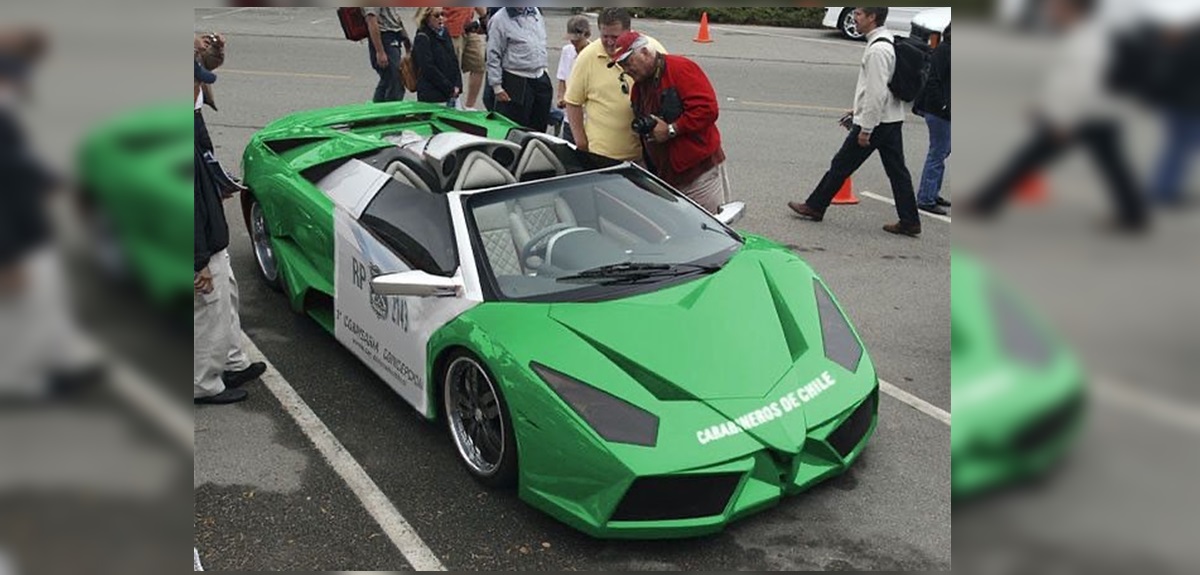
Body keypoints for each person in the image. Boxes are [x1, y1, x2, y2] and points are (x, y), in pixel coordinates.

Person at [964, 0, 1147, 230]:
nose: (1051, 11)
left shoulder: (1086, 40)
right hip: (1097, 113)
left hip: (1081, 116)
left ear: (1072, 9)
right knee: (1112, 164)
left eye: (1056, 6)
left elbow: (1081, 85)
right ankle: (1134, 214)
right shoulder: (1086, 35)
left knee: (1027, 158)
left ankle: (985, 203)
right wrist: (1044, 105)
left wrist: (1062, 119)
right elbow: (1068, 80)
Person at [0, 28, 102, 398]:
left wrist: (50, 179)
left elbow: (22, 166)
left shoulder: (9, 118)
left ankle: (59, 363)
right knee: (22, 308)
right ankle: (20, 381)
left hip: (30, 229)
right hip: (15, 238)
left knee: (46, 298)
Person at [787, 7, 922, 237]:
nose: (855, 18)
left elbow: (877, 93)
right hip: (890, 118)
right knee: (897, 171)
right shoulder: (884, 40)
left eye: (859, 13)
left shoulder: (878, 50)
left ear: (872, 17)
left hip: (877, 121)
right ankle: (909, 220)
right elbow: (878, 89)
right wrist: (858, 108)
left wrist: (866, 128)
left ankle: (815, 206)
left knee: (841, 164)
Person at [194, 53, 265, 405]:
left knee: (227, 299)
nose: (200, 87)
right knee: (210, 308)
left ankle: (233, 362)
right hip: (199, 242)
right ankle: (203, 384)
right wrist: (197, 263)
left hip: (210, 232)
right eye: (196, 80)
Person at [613, 32, 729, 214]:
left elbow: (708, 109)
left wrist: (672, 129)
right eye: (621, 66)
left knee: (712, 231)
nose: (626, 70)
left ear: (644, 52)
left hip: (699, 173)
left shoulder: (680, 68)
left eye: (628, 62)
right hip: (667, 177)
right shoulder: (638, 89)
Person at [564, 8, 666, 161]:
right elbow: (572, 102)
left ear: (629, 32)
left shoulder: (650, 50)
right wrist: (581, 143)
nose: (610, 42)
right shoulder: (587, 57)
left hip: (647, 156)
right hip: (603, 156)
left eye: (615, 37)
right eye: (605, 36)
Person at [486, 7, 553, 132]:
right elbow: (493, 54)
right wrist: (497, 87)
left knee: (539, 129)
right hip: (515, 80)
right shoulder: (499, 19)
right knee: (516, 131)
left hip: (539, 77)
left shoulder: (535, 12)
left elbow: (540, 41)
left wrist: (544, 68)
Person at [914, 24, 952, 215]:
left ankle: (932, 192)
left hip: (947, 110)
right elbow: (934, 81)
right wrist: (943, 106)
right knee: (938, 152)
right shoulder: (944, 51)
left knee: (943, 150)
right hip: (939, 112)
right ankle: (926, 198)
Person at [412, 7, 461, 107]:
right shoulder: (422, 37)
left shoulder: (445, 33)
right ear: (426, 18)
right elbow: (428, 68)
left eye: (443, 14)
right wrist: (449, 88)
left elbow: (453, 59)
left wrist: (458, 84)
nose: (441, 18)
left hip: (451, 94)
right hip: (432, 96)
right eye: (437, 15)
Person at [554, 15, 591, 145]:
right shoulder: (567, 51)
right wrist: (560, 97)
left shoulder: (593, 54)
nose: (573, 43)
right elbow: (562, 78)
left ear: (586, 34)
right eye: (571, 39)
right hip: (569, 117)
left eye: (577, 39)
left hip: (588, 118)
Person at [364, 6, 411, 103]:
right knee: (395, 80)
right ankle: (391, 113)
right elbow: (371, 20)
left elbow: (394, 17)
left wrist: (406, 39)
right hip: (384, 37)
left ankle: (377, 113)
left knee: (388, 80)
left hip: (393, 36)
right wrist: (380, 51)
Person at [443, 6, 486, 110]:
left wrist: (485, 17)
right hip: (451, 28)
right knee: (452, 70)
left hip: (468, 27)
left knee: (479, 64)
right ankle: (452, 103)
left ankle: (469, 106)